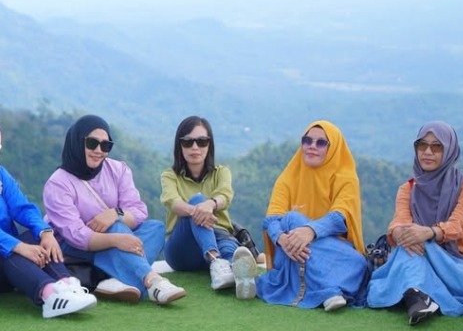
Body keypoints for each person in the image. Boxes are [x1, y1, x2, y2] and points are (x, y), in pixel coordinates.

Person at [0, 118, 96, 318]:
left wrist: (45, 232)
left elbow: (23, 208)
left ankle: (66, 285)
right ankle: (49, 296)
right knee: (7, 250)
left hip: (8, 264)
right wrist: (19, 247)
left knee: (35, 235)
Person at [42, 115, 186, 305]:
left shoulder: (118, 170)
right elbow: (76, 235)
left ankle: (114, 281)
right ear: (77, 142)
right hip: (73, 246)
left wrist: (114, 214)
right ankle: (153, 281)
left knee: (156, 228)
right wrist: (117, 240)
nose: (98, 151)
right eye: (92, 143)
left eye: (105, 145)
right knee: (117, 229)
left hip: (113, 236)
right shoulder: (58, 184)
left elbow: (139, 211)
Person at [367, 121, 463, 325]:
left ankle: (418, 291)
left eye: (436, 146)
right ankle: (417, 297)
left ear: (450, 150)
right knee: (408, 249)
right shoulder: (408, 189)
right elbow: (398, 223)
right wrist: (402, 234)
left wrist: (429, 233)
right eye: (421, 145)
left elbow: (459, 225)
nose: (427, 152)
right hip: (421, 256)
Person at [256, 120, 366, 311]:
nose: (312, 147)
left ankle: (272, 284)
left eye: (321, 143)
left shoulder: (346, 177)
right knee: (291, 219)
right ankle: (329, 291)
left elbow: (341, 218)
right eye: (307, 141)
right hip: (290, 249)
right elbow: (272, 220)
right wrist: (282, 239)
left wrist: (310, 231)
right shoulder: (290, 176)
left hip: (331, 252)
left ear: (333, 148)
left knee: (358, 263)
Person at [159, 115, 260, 299]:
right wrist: (199, 209)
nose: (195, 147)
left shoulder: (221, 172)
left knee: (232, 251)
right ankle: (216, 261)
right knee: (197, 200)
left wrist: (211, 204)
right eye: (188, 142)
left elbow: (225, 195)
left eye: (202, 141)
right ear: (179, 146)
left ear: (209, 144)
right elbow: (172, 201)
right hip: (182, 248)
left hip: (219, 236)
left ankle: (240, 277)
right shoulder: (170, 175)